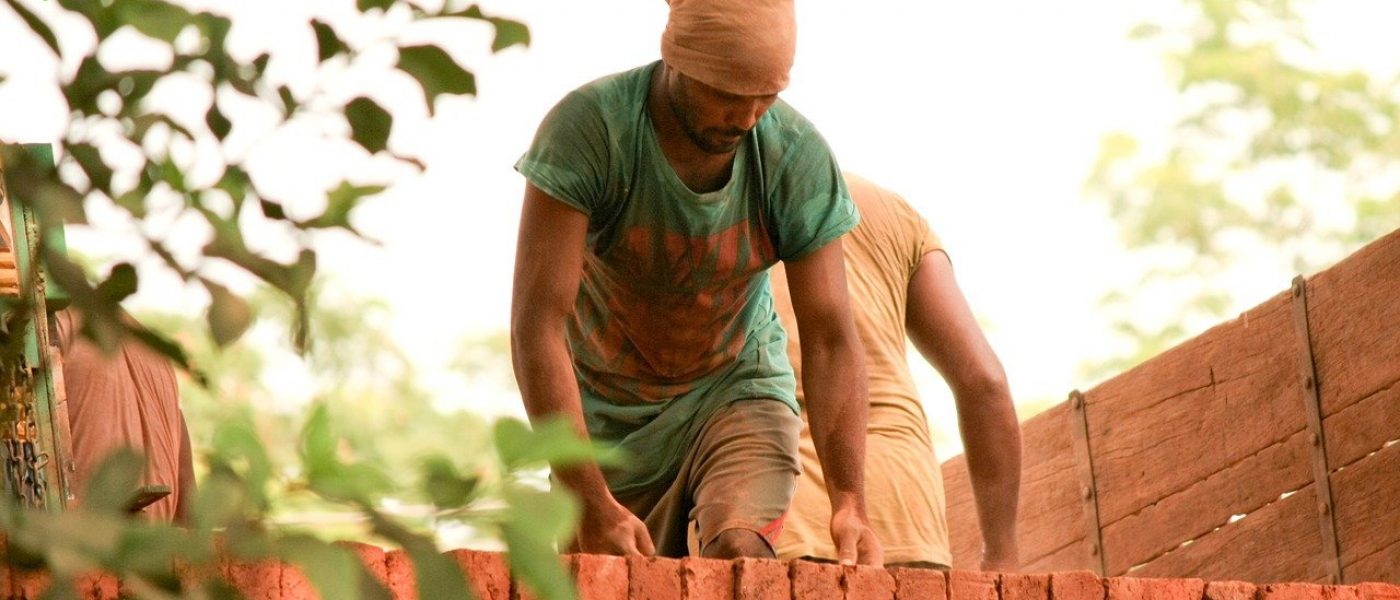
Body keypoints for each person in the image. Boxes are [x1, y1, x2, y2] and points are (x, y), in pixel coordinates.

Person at [510, 0, 882, 564]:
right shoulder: (591, 131)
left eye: (767, 96)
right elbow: (536, 328)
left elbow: (831, 337)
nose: (748, 116)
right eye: (728, 94)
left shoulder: (793, 155)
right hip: (609, 418)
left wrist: (850, 501)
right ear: (677, 61)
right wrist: (589, 497)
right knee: (608, 574)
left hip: (737, 387)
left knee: (739, 548)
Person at [770, 174, 1022, 571]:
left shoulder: (732, 195)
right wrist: (1001, 557)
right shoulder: (895, 214)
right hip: (906, 514)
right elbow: (984, 382)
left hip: (785, 509)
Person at [54, 308, 196, 524]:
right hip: (153, 539)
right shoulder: (155, 350)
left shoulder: (52, 329)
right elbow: (187, 491)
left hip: (79, 536)